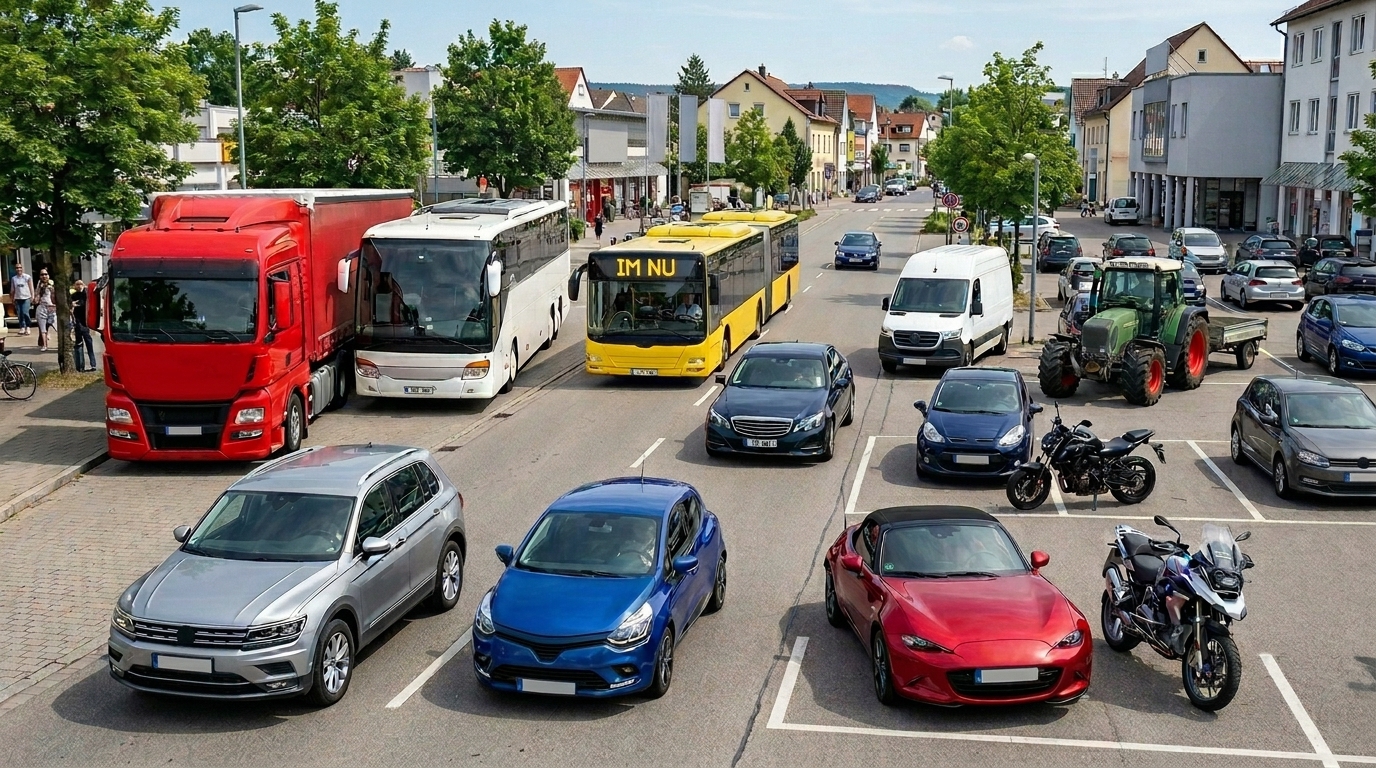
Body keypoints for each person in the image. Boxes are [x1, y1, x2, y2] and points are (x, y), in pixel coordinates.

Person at [70, 279, 96, 372]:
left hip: (85, 322)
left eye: (80, 284)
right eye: (77, 284)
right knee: (79, 344)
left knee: (89, 344)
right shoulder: (73, 295)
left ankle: (93, 364)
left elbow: (85, 303)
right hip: (78, 322)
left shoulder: (86, 294)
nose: (79, 286)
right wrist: (72, 305)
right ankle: (80, 366)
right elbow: (71, 305)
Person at [9, 263, 33, 336]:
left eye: (20, 267)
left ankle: (28, 327)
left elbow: (31, 287)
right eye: (17, 268)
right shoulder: (14, 278)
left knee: (25, 312)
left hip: (26, 297)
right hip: (18, 298)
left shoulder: (27, 277)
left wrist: (32, 296)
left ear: (22, 268)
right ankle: (22, 327)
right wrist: (12, 298)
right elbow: (12, 289)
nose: (18, 269)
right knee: (20, 314)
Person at [34, 268, 55, 352]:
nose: (44, 276)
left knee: (54, 325)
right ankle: (44, 345)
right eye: (42, 274)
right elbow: (36, 298)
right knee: (43, 328)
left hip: (52, 308)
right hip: (42, 307)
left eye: (45, 274)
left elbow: (55, 297)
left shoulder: (52, 284)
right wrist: (39, 289)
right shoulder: (39, 284)